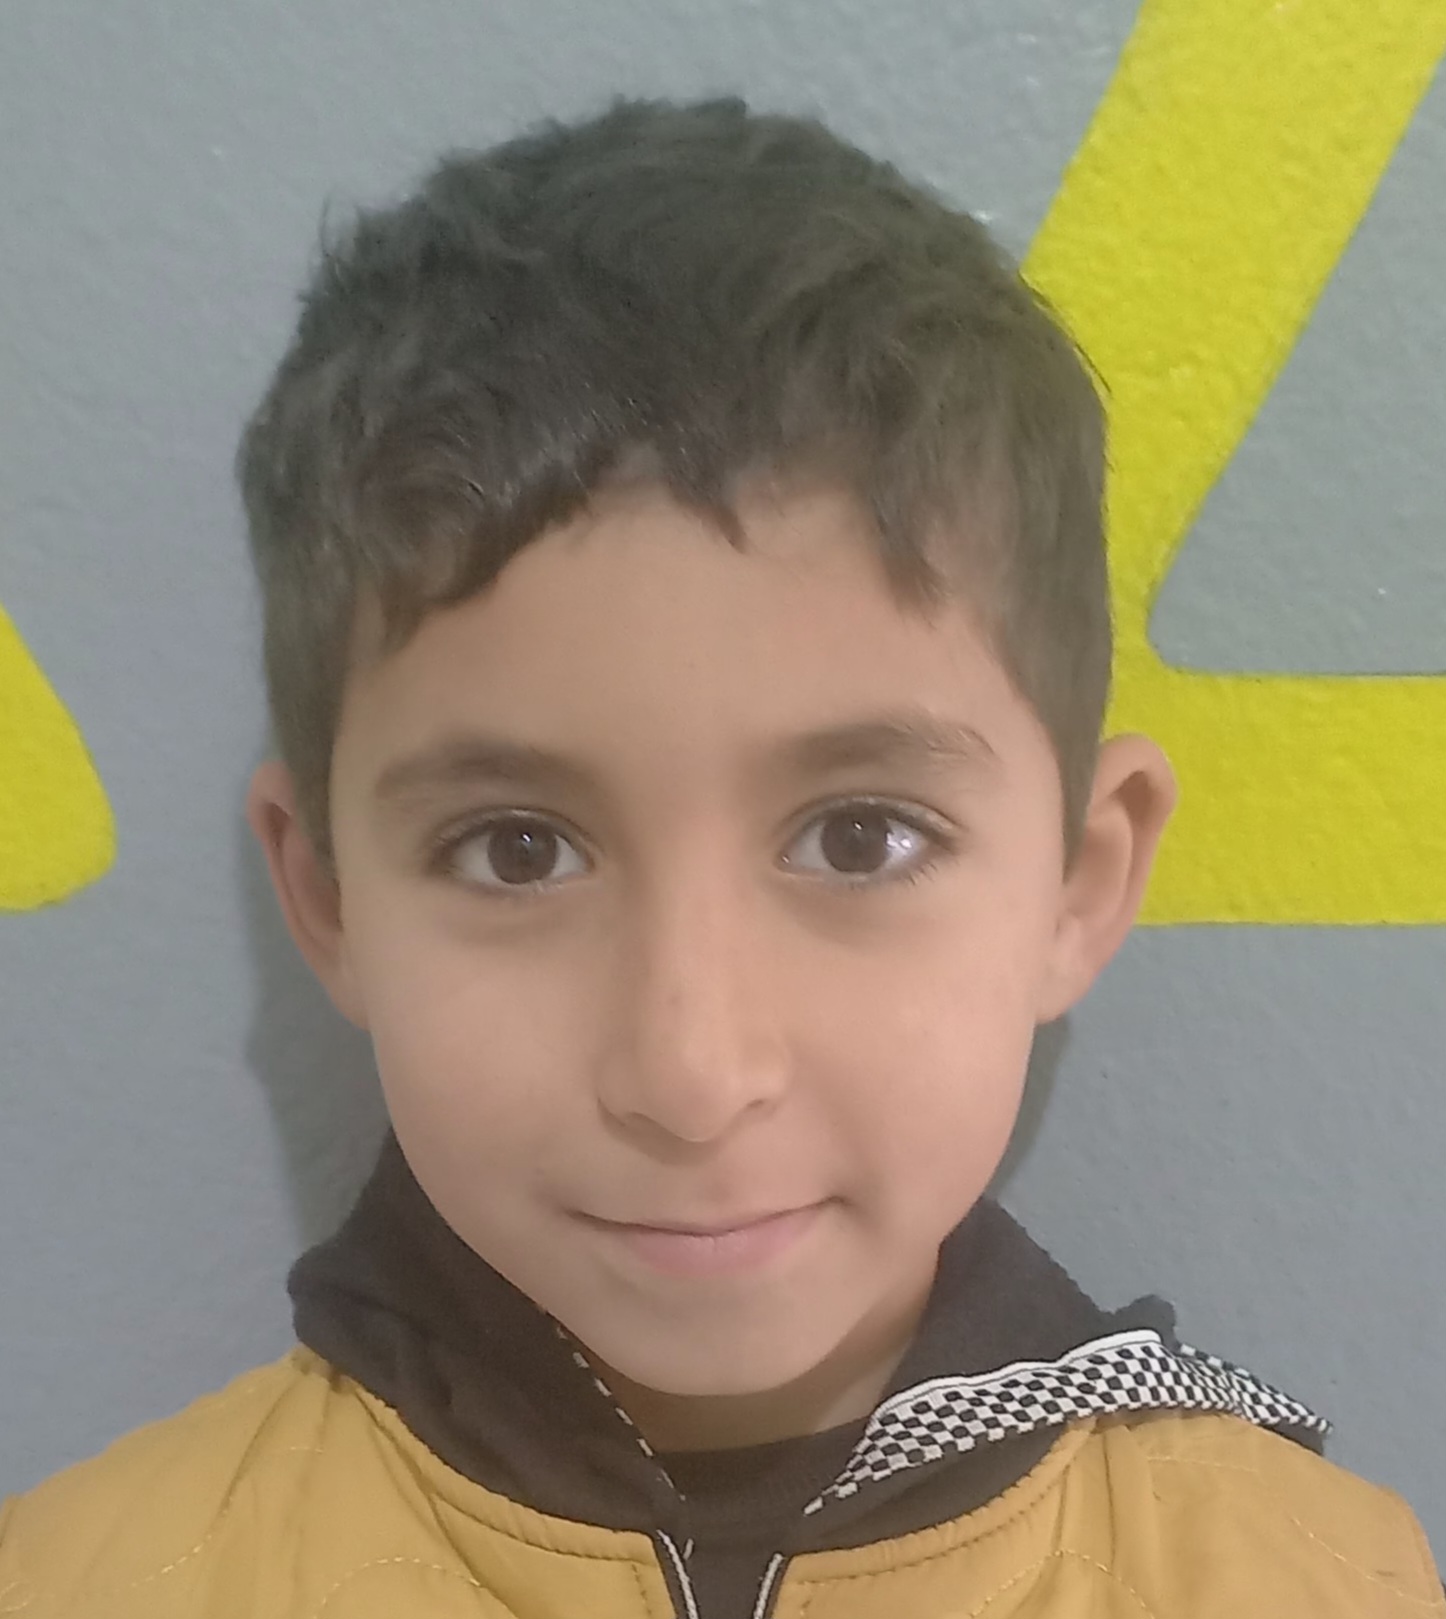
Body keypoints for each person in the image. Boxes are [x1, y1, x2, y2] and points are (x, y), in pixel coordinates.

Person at [1, 96, 1440, 1619]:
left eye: (859, 838)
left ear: (1078, 886)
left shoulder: (1323, 1585)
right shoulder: (87, 1587)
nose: (690, 1076)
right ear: (327, 897)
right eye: (516, 852)